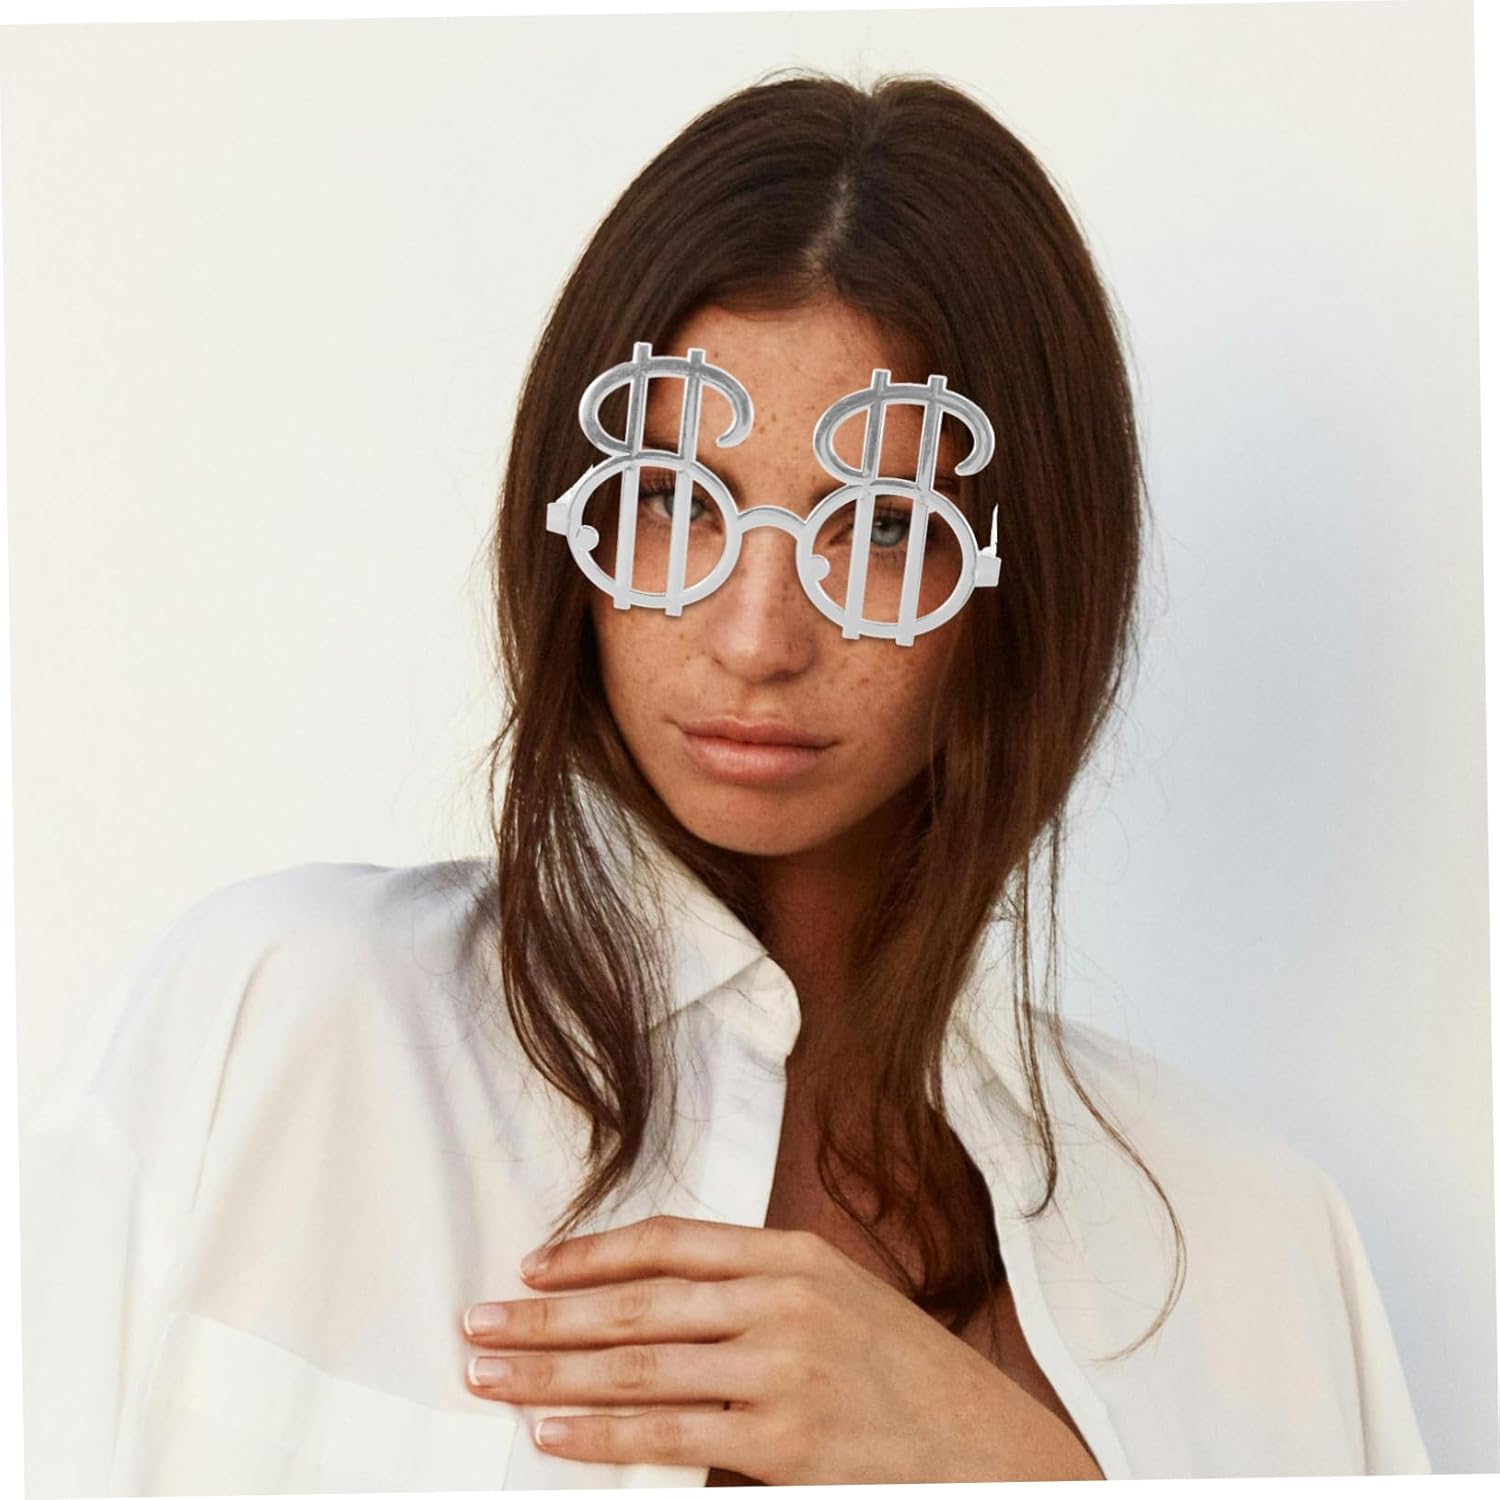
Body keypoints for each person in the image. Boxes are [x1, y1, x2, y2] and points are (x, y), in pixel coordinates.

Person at [19, 70, 1430, 1494]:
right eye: (671, 500)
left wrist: (1020, 1469)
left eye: (883, 528)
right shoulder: (278, 1034)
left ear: (1029, 578)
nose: (756, 638)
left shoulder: (1249, 1252)